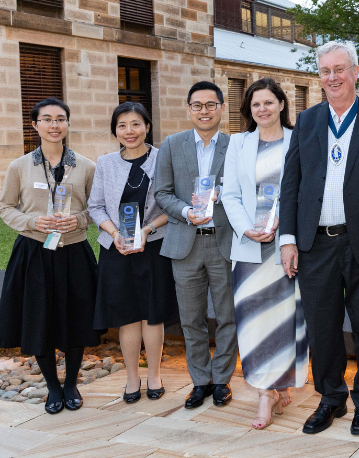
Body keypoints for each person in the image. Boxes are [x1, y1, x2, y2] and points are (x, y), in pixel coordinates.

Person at [279, 41, 359, 436]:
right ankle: (331, 398)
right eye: (325, 71)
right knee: (322, 327)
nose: (332, 77)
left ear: (354, 72)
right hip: (314, 245)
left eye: (339, 69)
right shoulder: (307, 121)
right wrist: (287, 238)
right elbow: (291, 184)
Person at [0, 97, 99, 415]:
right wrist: (32, 221)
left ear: (68, 123)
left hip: (74, 252)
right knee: (39, 319)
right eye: (47, 119)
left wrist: (78, 220)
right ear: (35, 125)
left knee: (76, 318)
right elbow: (5, 207)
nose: (55, 125)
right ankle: (53, 387)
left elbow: (95, 209)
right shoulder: (20, 166)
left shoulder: (85, 166)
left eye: (61, 119)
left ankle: (71, 385)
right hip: (34, 254)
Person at [221, 78, 307, 430]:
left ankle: (277, 384)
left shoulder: (296, 141)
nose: (262, 109)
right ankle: (265, 391)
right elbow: (229, 194)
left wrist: (281, 228)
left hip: (286, 242)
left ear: (282, 105)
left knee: (285, 318)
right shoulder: (238, 143)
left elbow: (303, 190)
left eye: (269, 102)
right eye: (256, 104)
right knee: (254, 318)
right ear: (249, 109)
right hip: (248, 244)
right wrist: (247, 228)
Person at [153, 81, 238, 409]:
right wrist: (187, 211)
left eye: (210, 105)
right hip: (185, 243)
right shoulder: (172, 145)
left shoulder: (235, 146)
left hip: (224, 242)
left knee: (227, 315)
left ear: (221, 108)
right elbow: (162, 193)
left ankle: (222, 380)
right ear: (189, 109)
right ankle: (200, 380)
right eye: (198, 105)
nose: (204, 111)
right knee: (191, 317)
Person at [89, 102, 179, 404]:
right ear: (115, 130)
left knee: (152, 316)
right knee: (127, 316)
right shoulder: (105, 163)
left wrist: (147, 229)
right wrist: (115, 234)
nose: (130, 131)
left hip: (152, 246)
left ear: (148, 127)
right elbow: (95, 206)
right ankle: (131, 378)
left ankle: (154, 374)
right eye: (122, 125)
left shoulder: (162, 158)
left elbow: (172, 202)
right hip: (117, 250)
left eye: (136, 124)